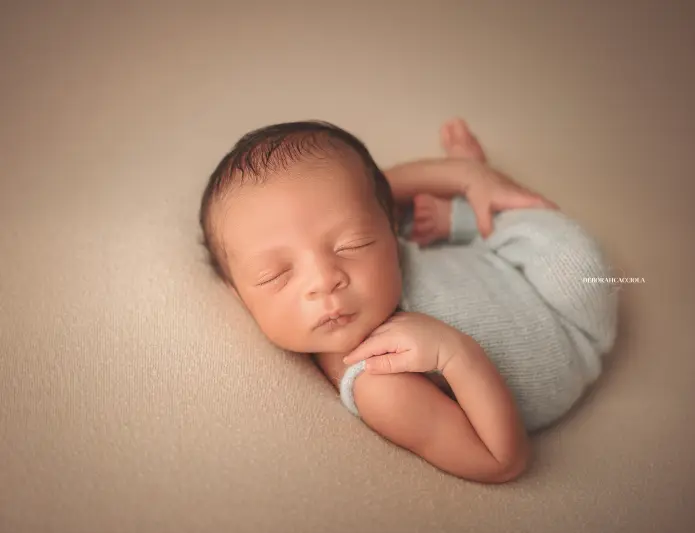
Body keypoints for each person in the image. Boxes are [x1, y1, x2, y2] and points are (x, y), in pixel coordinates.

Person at [198, 118, 618, 484]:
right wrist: (455, 355)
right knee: (578, 267)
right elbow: (503, 461)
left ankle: (471, 189)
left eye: (352, 244)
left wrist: (465, 177)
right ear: (237, 293)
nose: (324, 280)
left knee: (370, 200)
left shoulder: (380, 229)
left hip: (497, 266)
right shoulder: (380, 384)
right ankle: (469, 217)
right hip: (568, 333)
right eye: (276, 274)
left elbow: (371, 191)